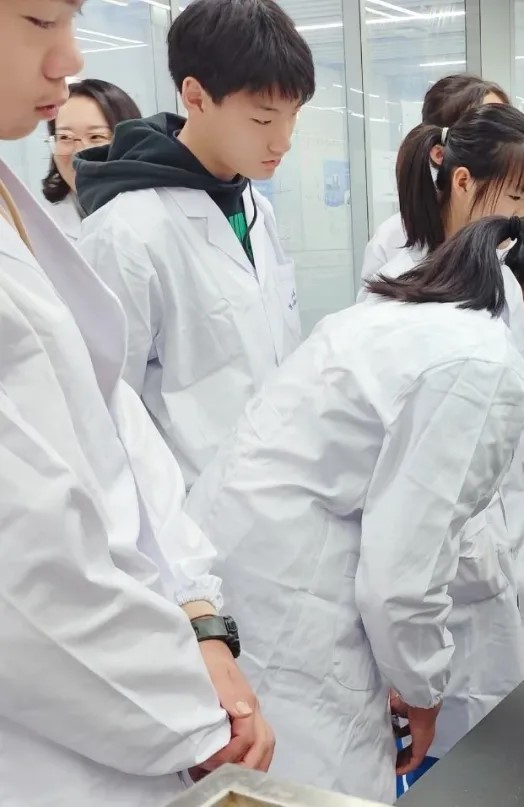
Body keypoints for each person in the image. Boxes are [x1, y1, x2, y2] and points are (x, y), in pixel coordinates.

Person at [183, 192, 524, 802]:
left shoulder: (434, 314)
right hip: (292, 611)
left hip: (242, 571)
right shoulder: (483, 363)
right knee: (322, 786)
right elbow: (401, 580)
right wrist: (424, 690)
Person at [0, 3, 273, 805]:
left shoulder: (13, 210)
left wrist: (197, 615)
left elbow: (111, 420)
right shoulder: (126, 226)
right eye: (38, 19)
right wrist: (187, 712)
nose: (69, 58)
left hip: (163, 608)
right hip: (73, 714)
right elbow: (22, 568)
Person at [361, 103, 524, 768]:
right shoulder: (402, 280)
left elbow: (522, 406)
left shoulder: (501, 276)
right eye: (516, 196)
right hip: (439, 553)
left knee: (503, 729)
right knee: (442, 747)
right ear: (464, 182)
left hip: (501, 538)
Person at [75, 0, 315, 488]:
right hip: (189, 506)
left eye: (293, 116)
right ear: (196, 96)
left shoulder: (255, 208)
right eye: (264, 120)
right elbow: (101, 412)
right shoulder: (127, 231)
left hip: (277, 491)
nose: (283, 141)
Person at [361, 73, 509, 279]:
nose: (511, 146)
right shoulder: (392, 239)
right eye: (493, 135)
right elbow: (372, 299)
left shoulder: (521, 227)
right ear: (440, 154)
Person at [41, 78, 141, 241]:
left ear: (131, 141)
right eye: (65, 137)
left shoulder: (161, 213)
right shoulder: (38, 229)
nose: (79, 152)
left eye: (96, 137)